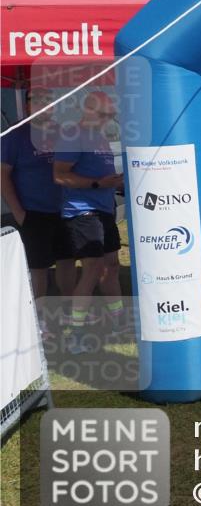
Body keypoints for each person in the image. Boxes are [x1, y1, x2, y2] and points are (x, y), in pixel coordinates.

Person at [53, 91, 125, 345]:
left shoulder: (101, 138)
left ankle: (118, 323)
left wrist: (116, 182)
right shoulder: (73, 136)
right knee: (92, 268)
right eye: (105, 114)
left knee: (112, 267)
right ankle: (76, 333)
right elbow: (59, 176)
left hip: (104, 209)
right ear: (89, 110)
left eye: (111, 115)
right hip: (82, 211)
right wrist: (97, 184)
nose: (109, 119)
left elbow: (101, 175)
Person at [0, 87, 76, 302]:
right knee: (38, 267)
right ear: (27, 104)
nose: (44, 104)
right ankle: (38, 319)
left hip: (65, 209)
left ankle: (68, 310)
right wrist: (18, 212)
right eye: (37, 100)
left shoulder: (63, 132)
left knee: (67, 260)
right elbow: (3, 175)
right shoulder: (15, 135)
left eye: (48, 99)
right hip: (33, 213)